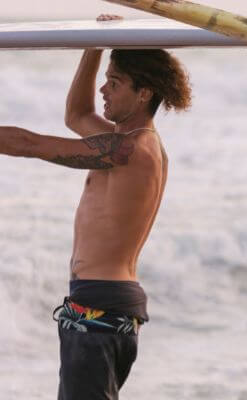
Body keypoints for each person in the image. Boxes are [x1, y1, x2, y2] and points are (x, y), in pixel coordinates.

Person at [0, 15, 191, 399]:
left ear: (144, 93)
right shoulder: (126, 141)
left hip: (100, 309)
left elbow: (33, 145)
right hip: (100, 303)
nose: (104, 89)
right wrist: (94, 44)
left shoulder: (129, 151)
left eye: (114, 83)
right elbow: (75, 115)